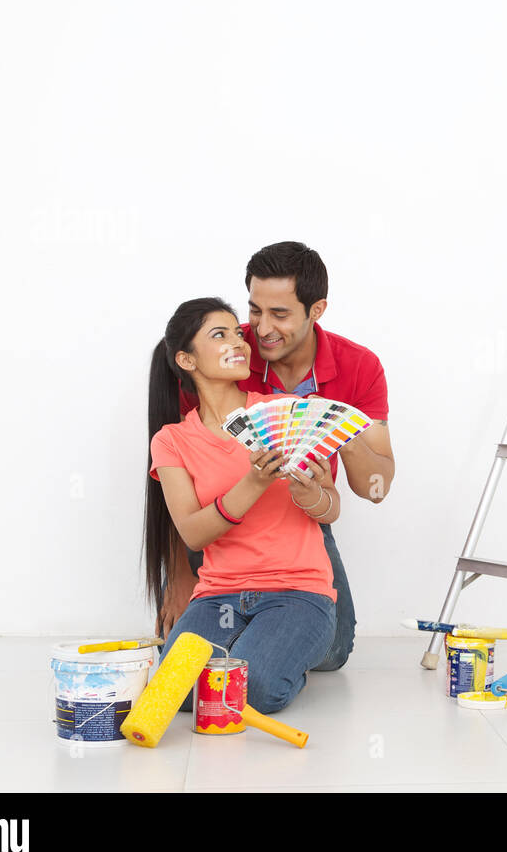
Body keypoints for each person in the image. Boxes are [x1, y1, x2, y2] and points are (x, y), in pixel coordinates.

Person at [157, 242, 394, 676]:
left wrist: (337, 423)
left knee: (334, 649)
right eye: (254, 311)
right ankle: (252, 639)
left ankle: (273, 637)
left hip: (297, 523)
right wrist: (177, 581)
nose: (260, 330)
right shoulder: (223, 353)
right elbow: (183, 484)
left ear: (316, 310)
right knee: (183, 680)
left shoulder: (359, 367)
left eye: (280, 315)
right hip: (221, 538)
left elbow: (375, 487)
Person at [145, 297, 341, 714]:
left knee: (256, 689)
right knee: (174, 693)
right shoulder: (171, 441)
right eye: (220, 335)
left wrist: (312, 496)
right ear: (186, 359)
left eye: (238, 332)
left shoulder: (283, 413)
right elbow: (194, 533)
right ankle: (252, 654)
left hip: (298, 593)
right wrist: (253, 482)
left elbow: (331, 508)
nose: (240, 342)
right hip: (219, 596)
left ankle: (285, 657)